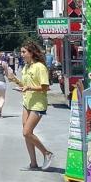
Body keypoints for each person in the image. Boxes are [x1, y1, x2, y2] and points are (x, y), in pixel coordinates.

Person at [12, 41, 54, 171]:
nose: (22, 54)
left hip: (38, 103)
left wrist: (29, 87)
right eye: (21, 52)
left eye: (24, 52)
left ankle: (47, 153)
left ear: (32, 53)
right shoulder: (26, 67)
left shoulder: (39, 67)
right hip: (27, 102)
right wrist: (14, 80)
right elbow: (24, 85)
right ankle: (33, 163)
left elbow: (45, 87)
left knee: (27, 132)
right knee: (26, 133)